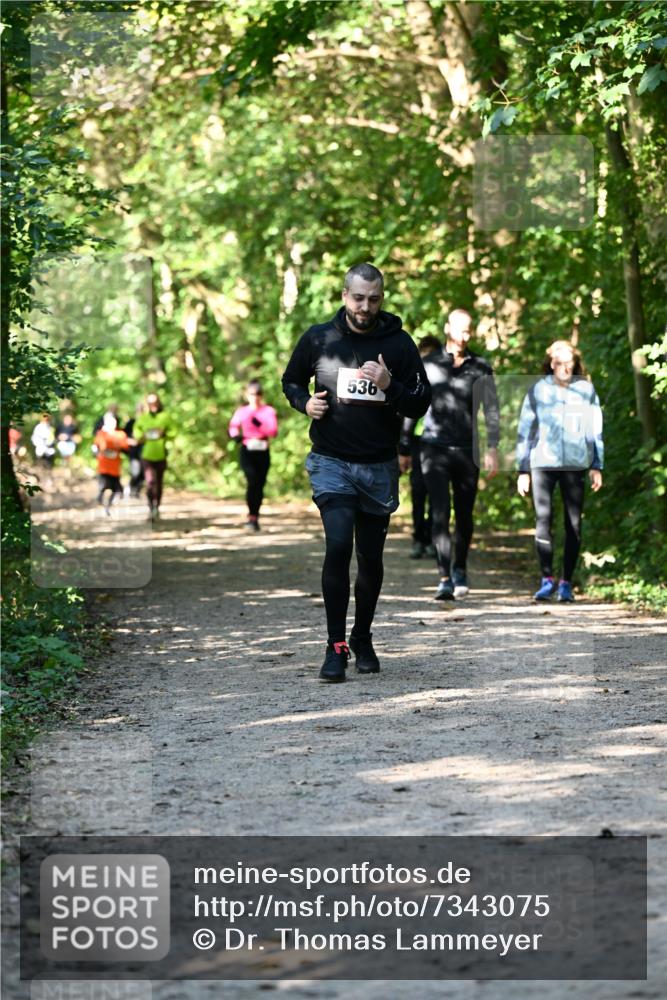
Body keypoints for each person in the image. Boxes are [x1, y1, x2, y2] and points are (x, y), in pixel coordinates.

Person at [282, 262, 431, 682]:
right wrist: (304, 404)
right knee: (338, 545)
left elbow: (420, 402)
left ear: (381, 298)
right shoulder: (319, 337)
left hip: (378, 466)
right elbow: (291, 381)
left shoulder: (399, 344)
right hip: (331, 461)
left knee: (370, 558)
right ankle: (335, 645)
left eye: (374, 299)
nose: (365, 307)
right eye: (358, 298)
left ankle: (362, 634)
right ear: (345, 295)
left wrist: (390, 385)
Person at [417, 309, 500, 600]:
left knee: (464, 513)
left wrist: (492, 448)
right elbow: (412, 406)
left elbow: (491, 409)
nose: (465, 337)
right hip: (433, 448)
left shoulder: (480, 366)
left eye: (469, 331)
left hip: (467, 450)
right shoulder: (427, 364)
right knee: (440, 511)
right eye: (460, 330)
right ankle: (443, 577)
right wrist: (403, 446)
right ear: (447, 328)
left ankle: (460, 568)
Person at [516, 339, 604, 603]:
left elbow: (594, 430)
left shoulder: (586, 390)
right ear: (550, 363)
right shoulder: (537, 390)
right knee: (543, 521)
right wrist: (523, 469)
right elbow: (525, 431)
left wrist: (597, 465)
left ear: (575, 363)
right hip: (542, 463)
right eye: (557, 362)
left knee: (574, 525)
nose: (563, 367)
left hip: (575, 465)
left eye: (568, 362)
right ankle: (546, 580)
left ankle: (566, 582)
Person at [398, 334, 441, 559]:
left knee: (437, 492)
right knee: (418, 490)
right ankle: (418, 537)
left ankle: (433, 537)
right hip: (416, 442)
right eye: (424, 355)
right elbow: (405, 414)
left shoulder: (444, 377)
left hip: (438, 442)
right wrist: (403, 448)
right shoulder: (413, 376)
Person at [228, 380, 278, 531]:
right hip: (247, 450)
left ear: (261, 395)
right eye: (251, 394)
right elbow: (233, 426)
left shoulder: (268, 411)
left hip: (262, 450)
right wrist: (235, 435)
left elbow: (273, 432)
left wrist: (259, 425)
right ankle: (251, 516)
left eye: (257, 394)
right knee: (252, 482)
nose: (254, 397)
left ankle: (256, 516)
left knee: (260, 485)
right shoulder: (242, 411)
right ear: (247, 395)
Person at [133, 392, 172, 519]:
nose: (153, 405)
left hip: (161, 454)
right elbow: (136, 433)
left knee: (159, 482)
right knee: (150, 482)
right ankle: (150, 507)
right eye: (150, 403)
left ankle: (157, 507)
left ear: (159, 403)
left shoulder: (165, 417)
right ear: (147, 405)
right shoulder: (143, 418)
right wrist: (142, 437)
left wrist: (164, 433)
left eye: (155, 402)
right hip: (147, 455)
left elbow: (174, 431)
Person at [94, 413, 133, 515]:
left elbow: (126, 447)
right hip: (103, 466)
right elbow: (96, 447)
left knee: (116, 489)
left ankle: (108, 506)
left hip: (115, 467)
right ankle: (101, 498)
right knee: (104, 486)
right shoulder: (101, 434)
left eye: (114, 421)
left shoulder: (120, 434)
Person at [124, 403, 145, 498]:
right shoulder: (131, 422)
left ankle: (137, 491)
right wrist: (132, 441)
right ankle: (132, 488)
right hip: (133, 452)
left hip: (145, 451)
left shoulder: (146, 421)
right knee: (135, 471)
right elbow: (123, 436)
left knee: (143, 472)